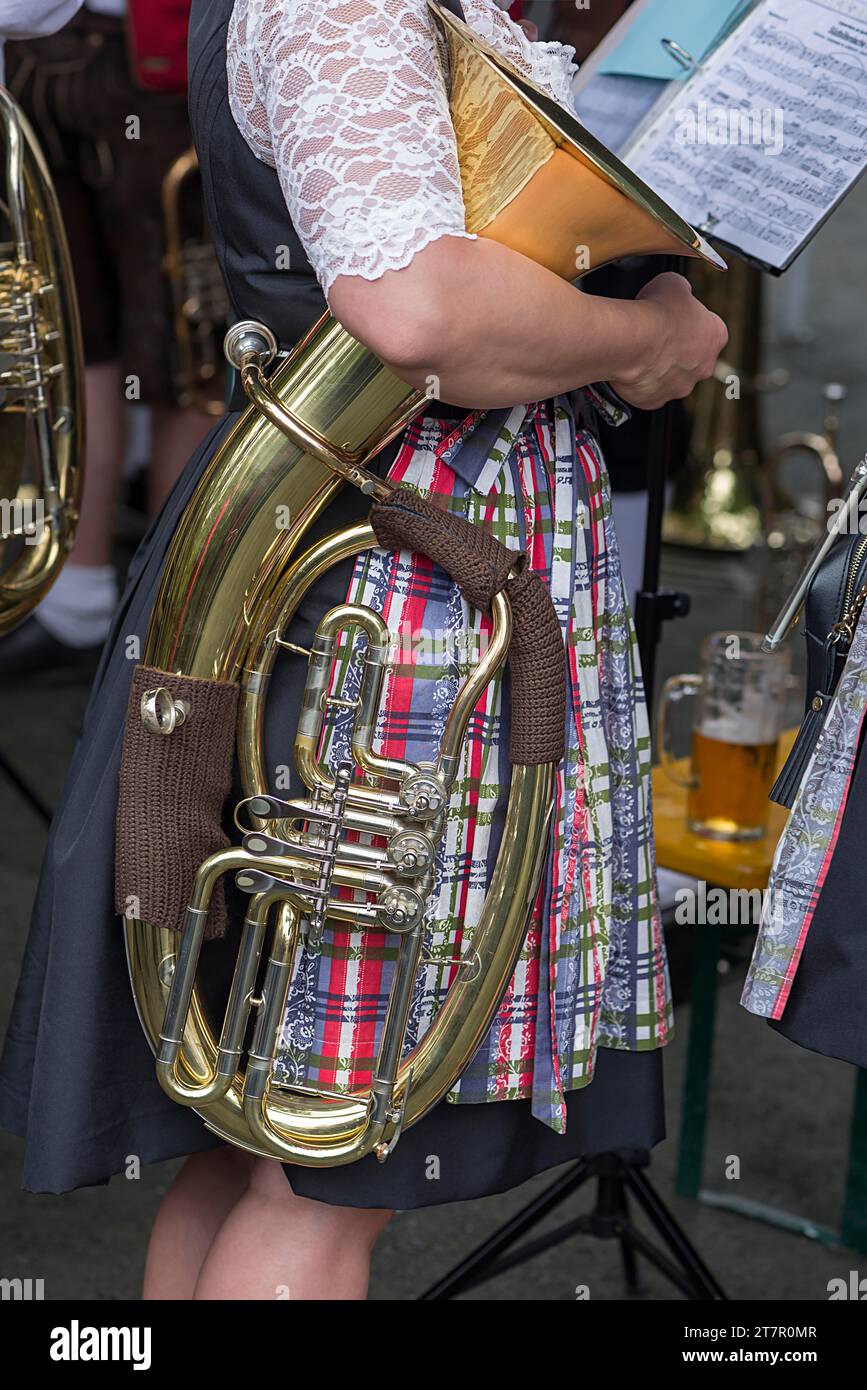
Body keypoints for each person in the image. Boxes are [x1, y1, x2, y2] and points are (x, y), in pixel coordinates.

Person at [0, 0, 727, 1301]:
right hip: (393, 603)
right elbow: (411, 312)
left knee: (259, 1148)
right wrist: (643, 342)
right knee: (328, 1172)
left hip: (400, 561)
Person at [0, 1, 215, 675]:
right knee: (69, 326)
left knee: (183, 343)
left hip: (155, 58)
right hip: (39, 51)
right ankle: (77, 595)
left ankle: (164, 620)